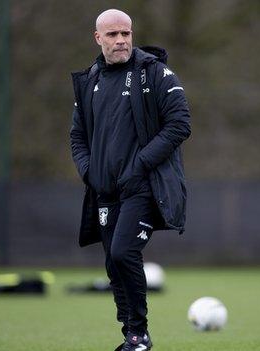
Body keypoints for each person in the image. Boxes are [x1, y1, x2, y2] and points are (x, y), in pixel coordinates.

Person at [69, 8, 191, 351]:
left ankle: (139, 333)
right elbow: (77, 136)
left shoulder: (155, 73)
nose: (120, 40)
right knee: (112, 263)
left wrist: (141, 163)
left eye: (125, 33)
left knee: (123, 252)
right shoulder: (90, 80)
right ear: (98, 38)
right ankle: (131, 336)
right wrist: (88, 170)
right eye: (112, 35)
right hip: (105, 191)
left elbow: (180, 124)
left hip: (142, 188)